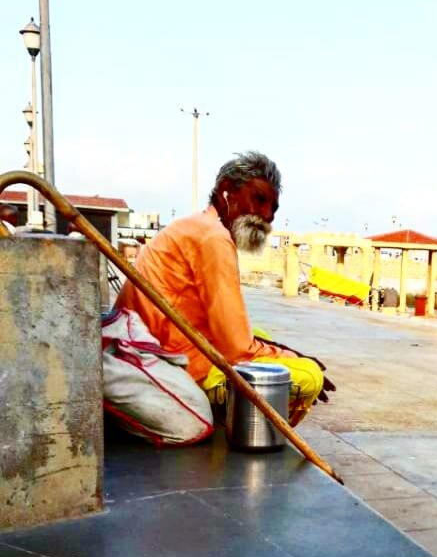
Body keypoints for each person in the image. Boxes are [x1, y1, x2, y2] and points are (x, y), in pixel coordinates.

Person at [116, 151, 332, 427]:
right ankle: (245, 431)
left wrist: (281, 351)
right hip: (171, 362)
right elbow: (237, 350)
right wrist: (296, 358)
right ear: (227, 191)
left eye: (273, 209)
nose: (266, 215)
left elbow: (234, 333)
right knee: (309, 375)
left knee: (262, 336)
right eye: (259, 199)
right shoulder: (213, 238)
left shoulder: (195, 226)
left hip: (150, 345)